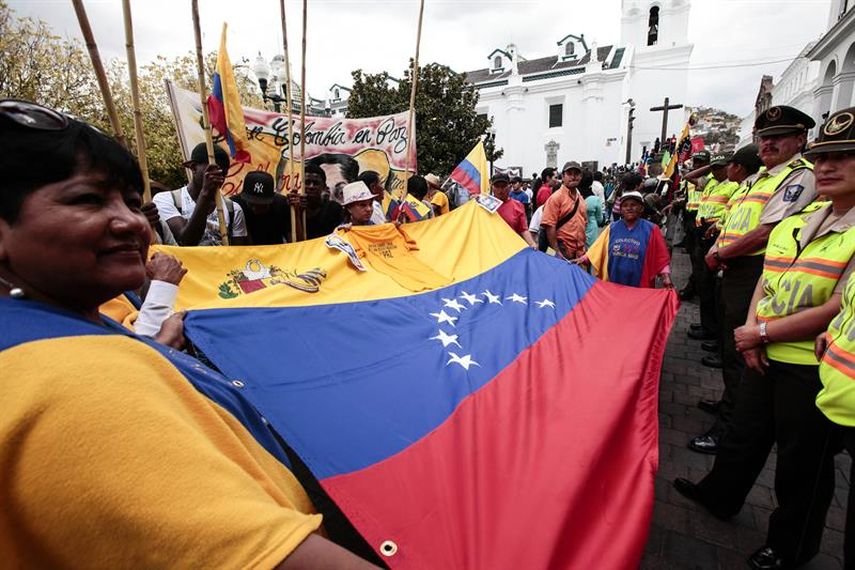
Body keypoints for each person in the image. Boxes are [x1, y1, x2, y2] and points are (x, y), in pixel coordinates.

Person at [0, 100, 376, 568]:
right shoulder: (72, 381)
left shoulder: (65, 323)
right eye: (87, 200)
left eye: (131, 203)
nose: (133, 223)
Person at [675, 108, 855, 569]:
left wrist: (760, 331)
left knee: (802, 463)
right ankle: (720, 495)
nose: (828, 167)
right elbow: (768, 275)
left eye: (844, 158)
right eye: (824, 158)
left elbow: (840, 304)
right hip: (764, 344)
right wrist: (754, 333)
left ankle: (791, 546)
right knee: (745, 433)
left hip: (812, 363)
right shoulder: (805, 216)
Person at [687, 105, 817, 455]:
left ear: (800, 139)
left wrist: (720, 255)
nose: (768, 145)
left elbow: (766, 231)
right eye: (764, 138)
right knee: (733, 349)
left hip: (753, 270)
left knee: (742, 350)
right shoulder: (757, 179)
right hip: (734, 269)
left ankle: (729, 428)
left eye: (778, 138)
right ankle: (730, 405)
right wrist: (719, 250)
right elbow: (733, 223)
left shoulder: (799, 177)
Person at [152, 142, 249, 246]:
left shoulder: (233, 209)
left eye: (222, 175)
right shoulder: (166, 200)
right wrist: (205, 194)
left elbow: (238, 255)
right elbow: (186, 241)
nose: (219, 180)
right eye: (212, 174)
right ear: (193, 168)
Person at [577, 191, 672, 288]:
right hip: (613, 283)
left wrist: (666, 277)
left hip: (640, 286)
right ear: (621, 210)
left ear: (641, 208)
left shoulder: (651, 229)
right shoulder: (612, 228)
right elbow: (596, 249)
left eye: (633, 205)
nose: (629, 208)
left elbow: (661, 257)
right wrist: (582, 259)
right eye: (625, 205)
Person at [542, 161, 588, 260]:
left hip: (579, 253)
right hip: (563, 251)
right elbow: (550, 226)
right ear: (562, 177)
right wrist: (557, 251)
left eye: (576, 174)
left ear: (580, 177)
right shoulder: (556, 198)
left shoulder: (581, 199)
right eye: (569, 174)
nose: (573, 177)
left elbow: (584, 223)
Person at [232, 171, 292, 245]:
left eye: (261, 205)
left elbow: (294, 242)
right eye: (251, 204)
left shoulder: (282, 204)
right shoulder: (234, 206)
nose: (255, 209)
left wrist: (297, 211)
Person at [290, 163, 345, 239]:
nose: (311, 187)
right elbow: (296, 241)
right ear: (301, 184)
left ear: (324, 187)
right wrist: (297, 212)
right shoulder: (293, 208)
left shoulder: (334, 209)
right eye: (307, 182)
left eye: (316, 183)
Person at [490, 172, 537, 248]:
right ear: (492, 187)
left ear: (509, 186)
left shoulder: (518, 206)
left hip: (511, 248)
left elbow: (523, 229)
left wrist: (532, 244)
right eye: (497, 186)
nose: (500, 190)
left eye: (503, 186)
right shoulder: (485, 204)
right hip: (491, 248)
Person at [579, 171, 604, 249]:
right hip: (591, 230)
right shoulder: (595, 200)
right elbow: (600, 219)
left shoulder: (575, 196)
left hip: (577, 229)